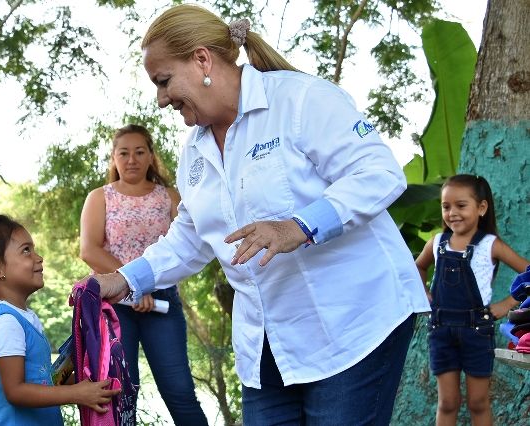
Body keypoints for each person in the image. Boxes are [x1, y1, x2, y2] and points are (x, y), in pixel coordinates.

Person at [92, 5, 431, 424]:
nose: (161, 100)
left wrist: (299, 227)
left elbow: (379, 174)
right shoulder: (193, 151)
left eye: (164, 82)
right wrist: (123, 280)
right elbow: (190, 238)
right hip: (266, 348)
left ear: (201, 60)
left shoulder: (300, 100)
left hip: (351, 326)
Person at [79, 124, 208, 425]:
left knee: (180, 392)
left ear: (151, 156)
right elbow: (89, 250)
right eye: (124, 153)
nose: (132, 159)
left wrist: (147, 286)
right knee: (122, 393)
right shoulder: (100, 197)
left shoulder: (171, 197)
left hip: (161, 303)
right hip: (115, 305)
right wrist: (135, 286)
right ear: (113, 158)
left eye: (139, 152)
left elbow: (193, 244)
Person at [0, 215, 119, 425]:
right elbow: (16, 391)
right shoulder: (5, 322)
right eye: (26, 250)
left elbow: (44, 380)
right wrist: (76, 393)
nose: (39, 258)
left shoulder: (22, 317)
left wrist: (88, 384)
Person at [415, 174, 529, 426]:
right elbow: (418, 268)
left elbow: (528, 273)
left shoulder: (491, 245)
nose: (452, 213)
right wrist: (425, 295)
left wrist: (507, 303)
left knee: (478, 403)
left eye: (461, 205)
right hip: (441, 331)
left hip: (477, 331)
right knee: (447, 403)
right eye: (446, 206)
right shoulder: (437, 243)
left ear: (481, 208)